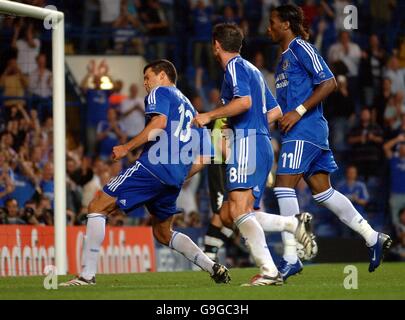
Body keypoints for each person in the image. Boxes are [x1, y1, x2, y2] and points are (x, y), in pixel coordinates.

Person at [60, 59, 230, 286]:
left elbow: (159, 123)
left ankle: (86, 276)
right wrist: (178, 173)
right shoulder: (192, 110)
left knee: (97, 206)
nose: (145, 84)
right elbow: (206, 158)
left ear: (162, 76)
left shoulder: (160, 92)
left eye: (147, 77)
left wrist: (126, 147)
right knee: (163, 233)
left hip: (151, 167)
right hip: (174, 179)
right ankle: (212, 266)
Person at [267, 4, 391, 279]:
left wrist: (297, 112)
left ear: (286, 24)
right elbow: (286, 103)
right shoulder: (283, 57)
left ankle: (290, 256)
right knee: (323, 193)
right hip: (303, 132)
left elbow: (329, 82)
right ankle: (372, 237)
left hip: (305, 130)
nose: (268, 28)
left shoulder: (301, 48)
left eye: (272, 22)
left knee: (283, 187)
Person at [194, 23, 316, 286]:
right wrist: (250, 125)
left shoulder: (235, 67)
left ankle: (282, 244)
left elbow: (245, 103)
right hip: (262, 144)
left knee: (238, 211)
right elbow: (275, 112)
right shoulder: (254, 71)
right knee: (234, 212)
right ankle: (279, 253)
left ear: (216, 44)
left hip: (247, 144)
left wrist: (209, 115)